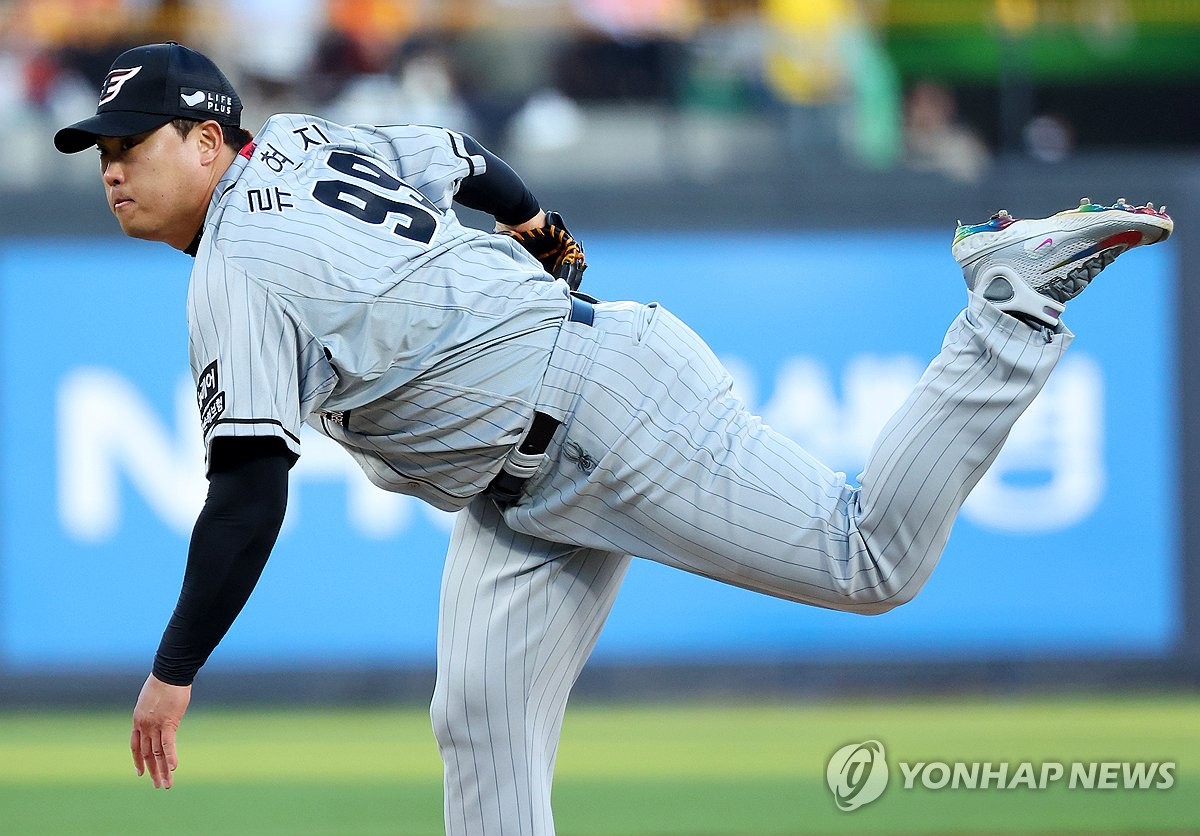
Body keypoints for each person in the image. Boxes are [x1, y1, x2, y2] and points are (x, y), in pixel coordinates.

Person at [54, 42, 1172, 835]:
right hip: (524, 483)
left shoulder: (235, 270)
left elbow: (250, 489)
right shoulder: (301, 142)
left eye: (130, 142)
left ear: (207, 141)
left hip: (600, 414)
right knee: (482, 725)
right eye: (97, 146)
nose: (109, 166)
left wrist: (172, 669)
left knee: (869, 556)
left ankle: (1011, 303)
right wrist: (536, 223)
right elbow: (460, 155)